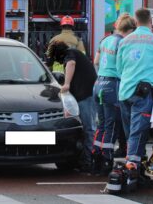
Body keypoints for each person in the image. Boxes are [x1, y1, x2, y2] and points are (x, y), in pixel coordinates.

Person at [115, 8, 153, 188]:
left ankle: (138, 171)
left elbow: (118, 69)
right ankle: (133, 171)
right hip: (143, 93)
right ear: (150, 22)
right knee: (138, 133)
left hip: (125, 92)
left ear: (135, 21)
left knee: (130, 133)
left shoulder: (124, 41)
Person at [91, 13, 136, 175]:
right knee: (112, 125)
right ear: (130, 30)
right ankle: (106, 160)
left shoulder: (105, 40)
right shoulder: (123, 42)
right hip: (113, 85)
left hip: (99, 83)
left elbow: (96, 61)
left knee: (101, 124)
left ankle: (95, 159)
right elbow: (125, 66)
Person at [47, 39, 97, 172]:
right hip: (85, 94)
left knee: (89, 128)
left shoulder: (70, 54)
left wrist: (67, 84)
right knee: (87, 128)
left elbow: (71, 63)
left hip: (86, 95)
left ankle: (89, 161)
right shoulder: (74, 53)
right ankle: (85, 159)